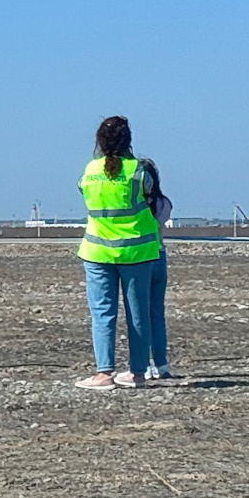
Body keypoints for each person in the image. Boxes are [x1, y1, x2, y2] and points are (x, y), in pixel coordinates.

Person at [74, 116, 163, 390]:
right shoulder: (137, 171)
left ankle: (104, 374)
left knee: (102, 313)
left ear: (99, 142)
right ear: (128, 141)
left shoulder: (89, 171)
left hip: (98, 250)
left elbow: (83, 190)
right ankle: (138, 372)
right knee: (138, 313)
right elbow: (150, 193)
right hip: (137, 250)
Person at [139, 158, 175, 380]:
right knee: (157, 315)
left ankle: (143, 364)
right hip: (160, 255)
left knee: (140, 314)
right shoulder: (164, 203)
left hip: (142, 257)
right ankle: (161, 363)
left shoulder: (138, 203)